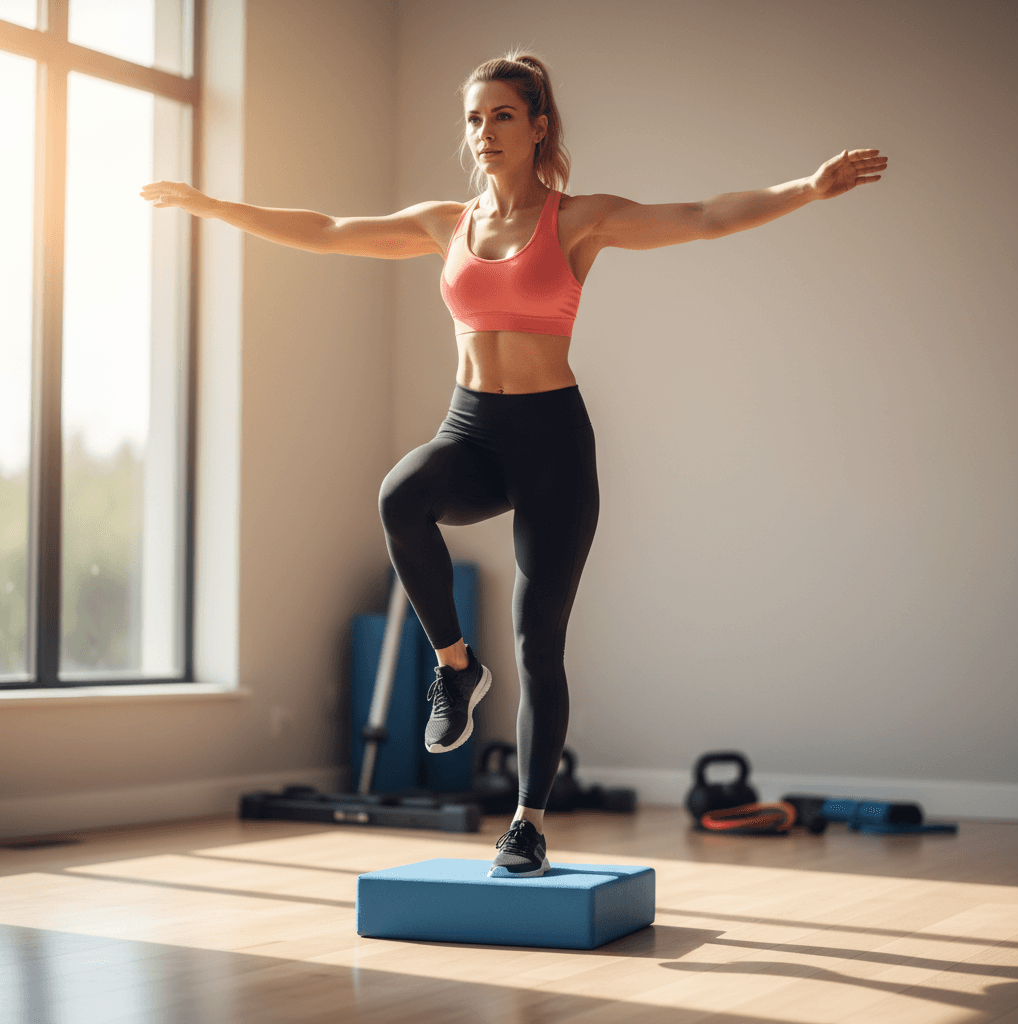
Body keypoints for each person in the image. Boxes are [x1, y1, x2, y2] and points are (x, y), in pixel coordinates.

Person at [141, 49, 887, 879]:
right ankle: (457, 670)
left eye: (501, 115)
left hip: (553, 447)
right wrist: (210, 205)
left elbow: (706, 215)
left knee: (540, 644)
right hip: (472, 431)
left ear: (538, 128)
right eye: (473, 118)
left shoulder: (579, 220)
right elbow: (326, 231)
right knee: (400, 497)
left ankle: (528, 822)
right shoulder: (443, 223)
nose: (484, 132)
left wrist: (807, 189)